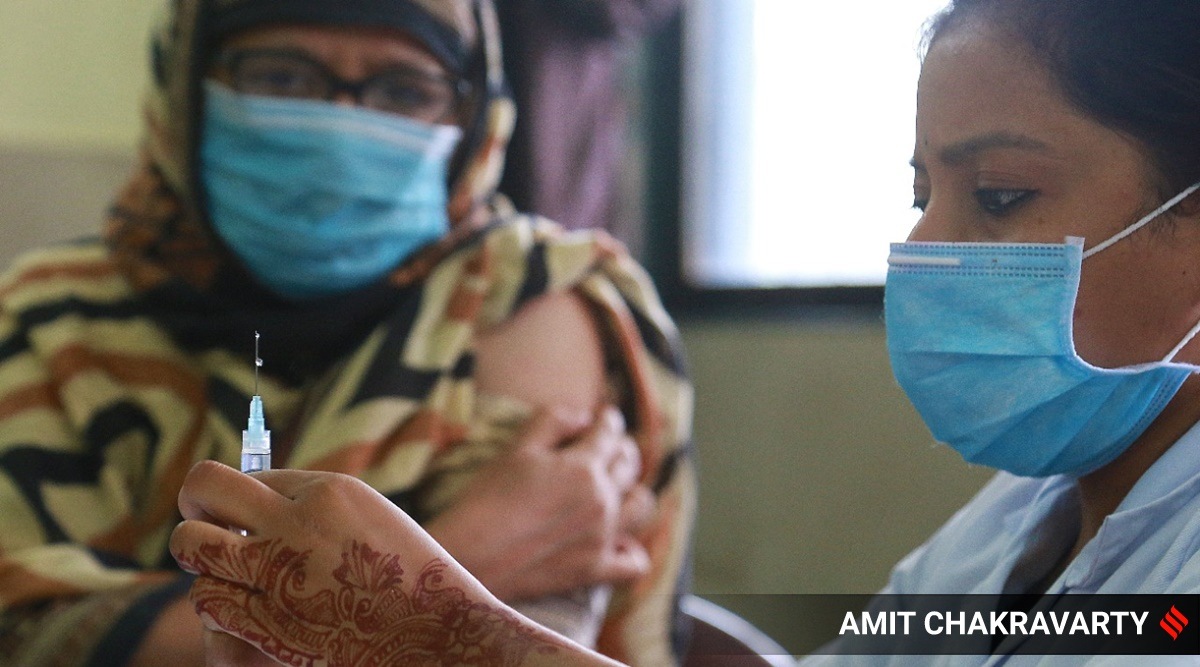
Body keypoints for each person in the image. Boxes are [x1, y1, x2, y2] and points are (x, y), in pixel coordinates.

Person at [173, 0, 1200, 663]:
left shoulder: (547, 296)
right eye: (922, 190)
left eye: (1004, 192)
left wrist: (461, 636)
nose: (923, 245)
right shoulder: (1022, 519)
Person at [0, 0, 695, 665]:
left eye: (403, 89)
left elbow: (545, 618)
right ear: (186, 83)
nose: (340, 121)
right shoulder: (46, 317)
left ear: (471, 111)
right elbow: (20, 633)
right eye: (281, 77)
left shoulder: (525, 290)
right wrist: (451, 566)